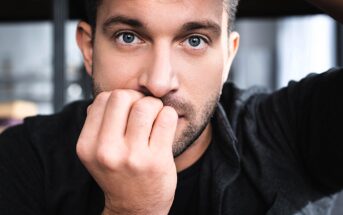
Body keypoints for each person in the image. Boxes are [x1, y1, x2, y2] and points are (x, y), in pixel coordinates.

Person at [0, 0, 342, 214]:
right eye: (128, 37)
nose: (160, 82)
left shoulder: (291, 129)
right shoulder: (22, 159)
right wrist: (132, 210)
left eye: (195, 41)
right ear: (89, 49)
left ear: (227, 57)